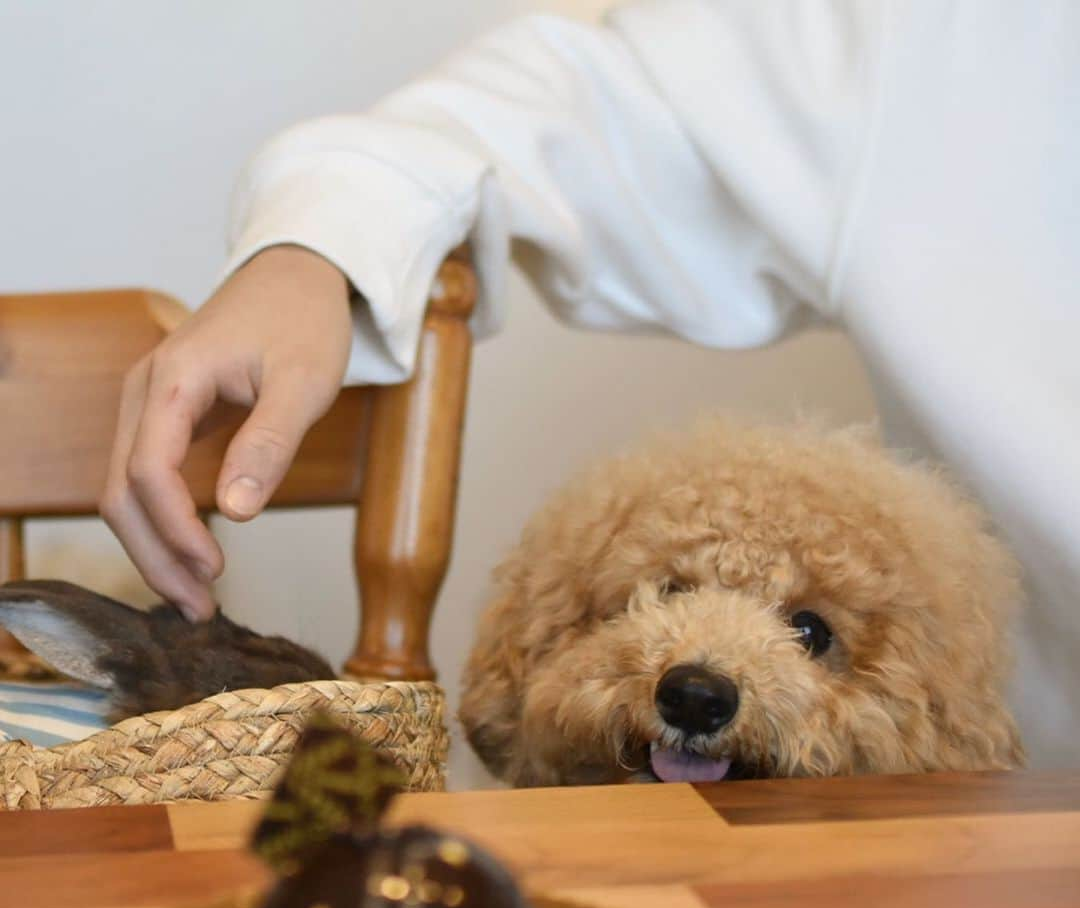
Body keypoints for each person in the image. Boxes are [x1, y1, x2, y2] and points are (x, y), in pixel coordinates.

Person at [101, 0, 1080, 763]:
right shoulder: (944, 49)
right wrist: (314, 245)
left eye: (811, 630)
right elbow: (561, 114)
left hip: (979, 840)